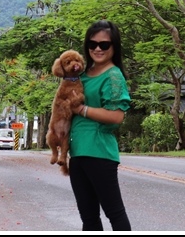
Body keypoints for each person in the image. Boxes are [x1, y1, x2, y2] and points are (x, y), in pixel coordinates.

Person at [68, 20, 132, 231]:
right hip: (78, 153)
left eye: (104, 45)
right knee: (89, 218)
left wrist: (81, 109)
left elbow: (116, 116)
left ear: (114, 47)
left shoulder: (113, 76)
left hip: (99, 153)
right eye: (92, 44)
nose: (97, 48)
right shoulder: (83, 75)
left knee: (114, 213)